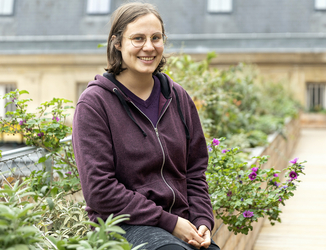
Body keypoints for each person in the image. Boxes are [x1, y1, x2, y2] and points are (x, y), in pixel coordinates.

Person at [72, 2, 220, 250]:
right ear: (117, 43)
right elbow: (99, 190)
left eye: (156, 38)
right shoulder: (95, 103)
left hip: (181, 222)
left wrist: (203, 219)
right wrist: (169, 221)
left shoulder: (178, 98)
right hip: (122, 226)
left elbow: (195, 172)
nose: (149, 47)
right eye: (138, 38)